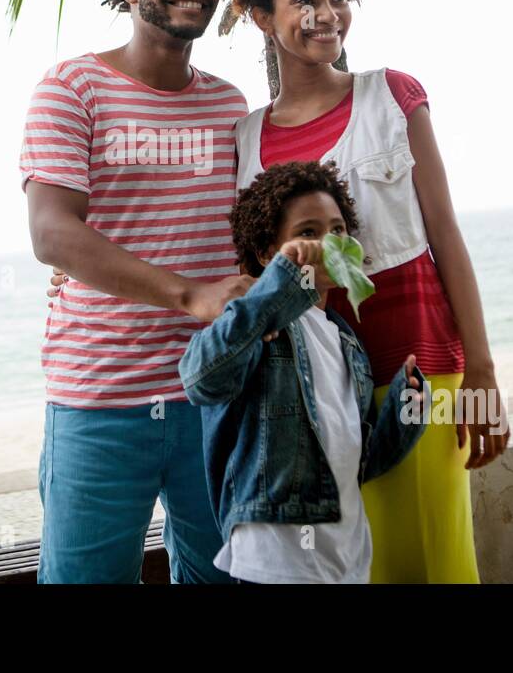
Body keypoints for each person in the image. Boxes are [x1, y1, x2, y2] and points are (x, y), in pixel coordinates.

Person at [223, 0, 510, 583]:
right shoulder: (245, 137)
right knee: (361, 569)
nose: (328, 14)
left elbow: (445, 235)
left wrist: (484, 373)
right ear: (263, 18)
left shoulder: (394, 94)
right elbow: (248, 271)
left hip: (421, 368)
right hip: (314, 390)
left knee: (438, 558)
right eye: (304, 0)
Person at [19, 0, 250, 583]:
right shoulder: (71, 87)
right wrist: (188, 294)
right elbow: (53, 233)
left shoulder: (229, 103)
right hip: (101, 398)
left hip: (213, 391)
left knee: (220, 577)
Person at [178, 160, 427, 584]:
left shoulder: (347, 343)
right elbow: (200, 377)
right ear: (265, 253)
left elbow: (359, 459)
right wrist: (281, 284)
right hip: (276, 564)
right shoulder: (260, 324)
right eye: (307, 233)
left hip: (347, 560)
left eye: (336, 230)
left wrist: (408, 412)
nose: (326, 243)